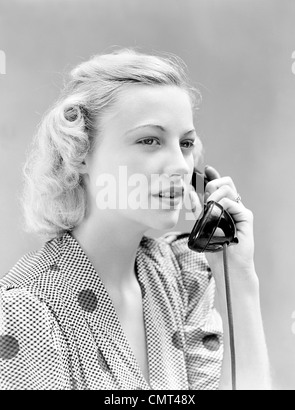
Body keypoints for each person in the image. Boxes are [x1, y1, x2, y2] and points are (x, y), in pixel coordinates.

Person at [0, 48, 271, 390]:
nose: (180, 165)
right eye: (149, 140)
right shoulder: (27, 312)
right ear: (80, 152)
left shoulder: (182, 277)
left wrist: (238, 277)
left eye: (186, 144)